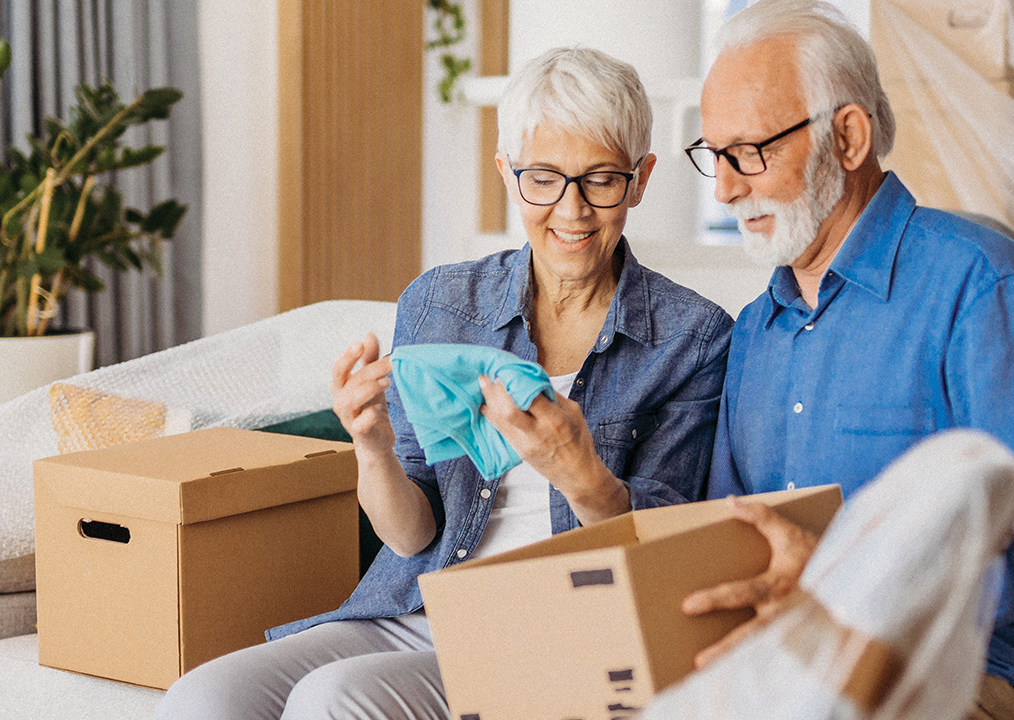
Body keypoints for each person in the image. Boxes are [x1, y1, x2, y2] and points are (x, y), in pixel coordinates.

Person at [154, 47, 733, 720]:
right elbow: (409, 535)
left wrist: (582, 477)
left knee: (333, 699)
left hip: (561, 629)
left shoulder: (693, 338)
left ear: (640, 179)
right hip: (419, 604)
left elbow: (668, 558)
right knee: (200, 698)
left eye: (601, 180)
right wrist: (369, 444)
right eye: (543, 178)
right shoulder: (440, 304)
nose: (571, 210)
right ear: (507, 175)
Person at [677, 2, 1014, 720]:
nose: (726, 188)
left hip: (970, 667)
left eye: (750, 152)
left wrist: (876, 595)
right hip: (795, 668)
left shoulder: (975, 280)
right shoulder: (756, 330)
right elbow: (733, 540)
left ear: (847, 136)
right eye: (715, 155)